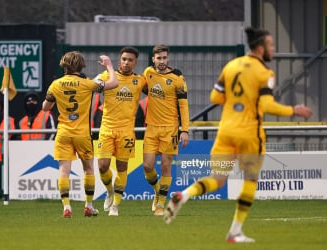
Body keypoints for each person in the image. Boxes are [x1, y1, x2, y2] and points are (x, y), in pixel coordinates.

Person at [163, 27, 312, 243]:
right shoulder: (265, 73)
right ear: (260, 48)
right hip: (249, 134)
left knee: (218, 179)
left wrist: (235, 101)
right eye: (270, 45)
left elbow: (215, 96)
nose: (272, 49)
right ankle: (235, 232)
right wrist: (293, 110)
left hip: (226, 132)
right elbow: (266, 103)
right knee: (250, 180)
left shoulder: (231, 66)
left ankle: (183, 195)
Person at [42, 51, 118, 218]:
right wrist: (109, 66)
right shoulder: (88, 83)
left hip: (63, 133)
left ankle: (66, 207)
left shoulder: (55, 84)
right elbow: (113, 83)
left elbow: (45, 108)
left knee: (63, 171)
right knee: (88, 169)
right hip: (82, 134)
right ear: (81, 65)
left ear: (64, 65)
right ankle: (89, 206)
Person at [96, 46, 146, 216]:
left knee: (122, 167)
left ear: (135, 62)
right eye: (124, 59)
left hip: (126, 131)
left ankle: (116, 205)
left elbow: (158, 92)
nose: (126, 62)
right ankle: (109, 191)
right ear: (119, 60)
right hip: (107, 128)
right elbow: (90, 87)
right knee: (103, 167)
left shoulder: (140, 81)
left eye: (130, 60)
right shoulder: (107, 76)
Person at [142, 44, 190, 216]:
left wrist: (185, 130)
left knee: (165, 166)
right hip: (151, 128)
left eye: (164, 58)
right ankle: (157, 190)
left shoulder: (177, 77)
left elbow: (183, 106)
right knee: (147, 166)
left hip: (170, 128)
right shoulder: (148, 73)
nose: (162, 61)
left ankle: (160, 204)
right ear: (153, 59)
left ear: (167, 58)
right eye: (158, 58)